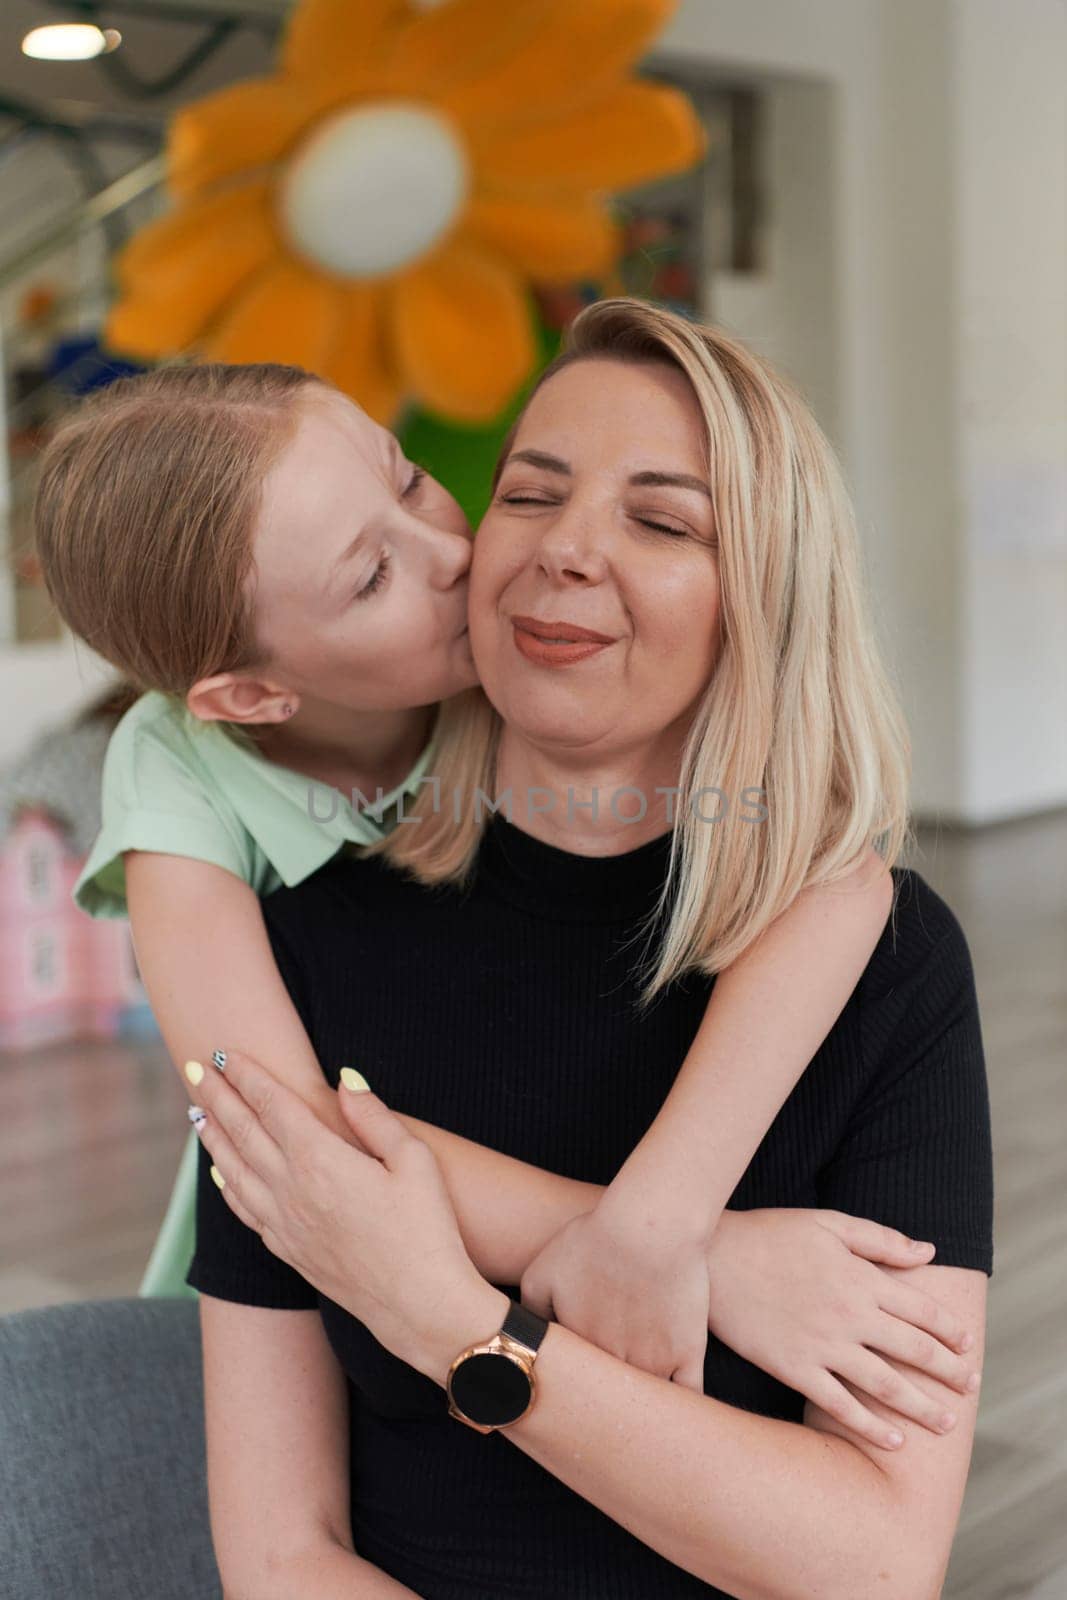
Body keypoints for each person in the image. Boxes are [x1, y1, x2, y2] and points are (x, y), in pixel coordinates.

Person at [182, 299, 994, 1599]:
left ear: (761, 602)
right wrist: (703, 1258)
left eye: (659, 521)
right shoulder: (306, 935)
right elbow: (282, 1551)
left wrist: (454, 1325)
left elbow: (871, 1563)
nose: (564, 549)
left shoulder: (877, 966)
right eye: (529, 494)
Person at [35, 350, 904, 1397]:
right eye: (370, 576)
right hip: (307, 1291)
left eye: (407, 480)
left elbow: (836, 872)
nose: (450, 551)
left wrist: (660, 1218)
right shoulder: (174, 764)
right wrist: (701, 1253)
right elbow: (286, 1132)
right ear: (252, 697)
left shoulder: (517, 656)